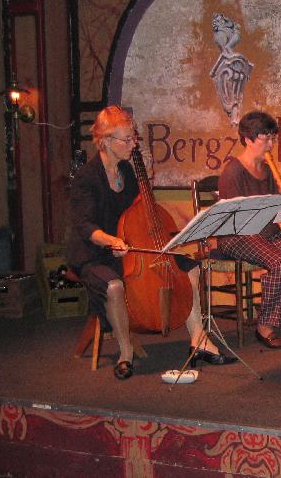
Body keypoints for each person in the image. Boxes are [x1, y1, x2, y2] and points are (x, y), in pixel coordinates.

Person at [67, 105, 237, 380]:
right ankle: (125, 353)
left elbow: (140, 210)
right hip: (96, 251)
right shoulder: (87, 177)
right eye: (127, 139)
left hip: (130, 246)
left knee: (189, 267)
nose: (133, 144)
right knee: (113, 285)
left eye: (133, 138)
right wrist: (111, 241)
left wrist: (146, 179)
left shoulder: (127, 171)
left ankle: (199, 340)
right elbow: (85, 226)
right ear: (106, 141)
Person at [217, 110, 281, 348]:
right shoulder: (233, 171)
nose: (271, 145)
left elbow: (279, 212)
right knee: (280, 262)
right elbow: (234, 218)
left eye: (272, 139)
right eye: (266, 139)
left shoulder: (266, 169)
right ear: (248, 139)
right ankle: (265, 327)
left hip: (266, 233)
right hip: (237, 236)